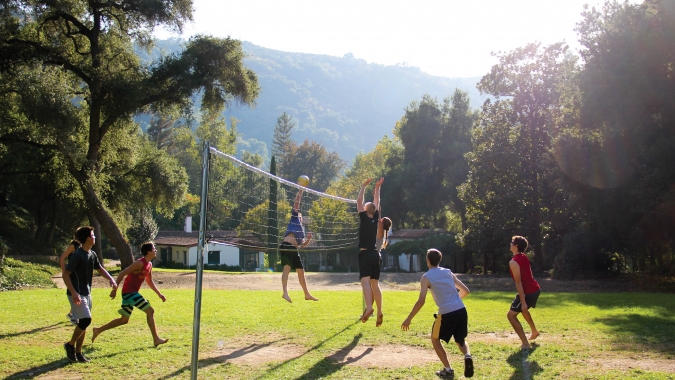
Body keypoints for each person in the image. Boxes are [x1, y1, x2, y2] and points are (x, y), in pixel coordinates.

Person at [401, 249, 474, 378]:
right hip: (461, 310)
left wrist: (409, 318)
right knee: (460, 340)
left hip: (446, 313)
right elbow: (466, 291)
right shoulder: (447, 272)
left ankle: (448, 369)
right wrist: (454, 301)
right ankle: (467, 355)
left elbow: (421, 300)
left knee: (435, 339)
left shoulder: (426, 277)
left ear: (427, 260)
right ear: (439, 260)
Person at [91, 242, 168, 347]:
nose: (156, 251)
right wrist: (114, 289)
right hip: (129, 293)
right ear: (149, 252)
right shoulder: (139, 263)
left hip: (130, 293)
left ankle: (98, 330)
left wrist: (159, 294)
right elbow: (122, 273)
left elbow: (149, 281)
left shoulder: (149, 265)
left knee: (124, 320)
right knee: (150, 311)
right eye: (154, 249)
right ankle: (156, 339)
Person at [62, 226, 116, 363]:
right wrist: (74, 293)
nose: (95, 237)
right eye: (93, 235)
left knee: (83, 323)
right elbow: (65, 274)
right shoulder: (77, 255)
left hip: (87, 293)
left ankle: (79, 353)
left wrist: (111, 279)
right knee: (86, 320)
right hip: (76, 293)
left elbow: (100, 268)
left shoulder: (92, 254)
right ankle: (69, 345)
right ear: (87, 238)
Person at [280, 188, 318, 303]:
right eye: (299, 216)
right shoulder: (294, 219)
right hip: (286, 245)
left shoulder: (301, 231)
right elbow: (296, 203)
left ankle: (307, 294)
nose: (300, 217)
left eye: (301, 217)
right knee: (286, 269)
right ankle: (285, 293)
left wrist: (309, 239)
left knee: (301, 271)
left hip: (294, 249)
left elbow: (302, 245)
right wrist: (300, 191)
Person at [356, 177, 384, 326]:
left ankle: (368, 307)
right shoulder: (375, 217)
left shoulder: (364, 217)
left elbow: (359, 201)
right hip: (375, 254)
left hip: (366, 254)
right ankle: (379, 310)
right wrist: (377, 188)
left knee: (365, 282)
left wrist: (364, 186)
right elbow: (376, 202)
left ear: (366, 210)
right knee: (375, 284)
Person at [507, 235, 541, 349]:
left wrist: (524, 301)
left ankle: (525, 344)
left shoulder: (514, 262)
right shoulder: (523, 256)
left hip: (528, 292)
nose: (510, 243)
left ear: (516, 246)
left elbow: (519, 283)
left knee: (511, 316)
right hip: (535, 289)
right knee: (523, 310)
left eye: (512, 242)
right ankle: (534, 331)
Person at [60, 238, 81, 325]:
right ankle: (74, 317)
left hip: (79, 275)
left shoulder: (82, 246)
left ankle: (71, 314)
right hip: (72, 274)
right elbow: (62, 258)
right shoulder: (73, 246)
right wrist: (64, 271)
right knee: (74, 292)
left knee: (79, 293)